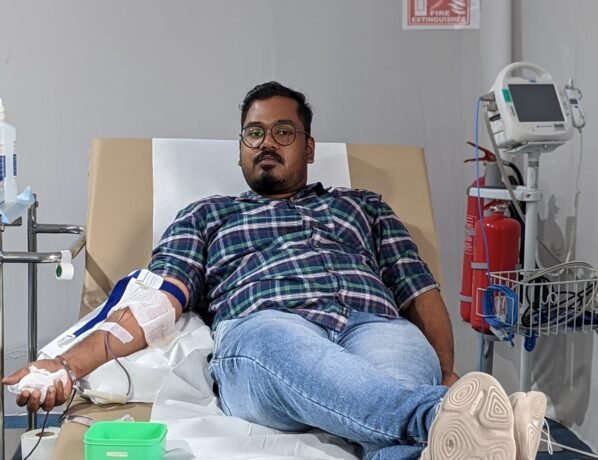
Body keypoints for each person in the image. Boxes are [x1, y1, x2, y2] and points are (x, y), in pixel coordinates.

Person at [3, 82, 545, 460]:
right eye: (253, 133)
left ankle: (452, 429)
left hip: (376, 327)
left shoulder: (363, 206)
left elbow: (419, 291)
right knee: (277, 339)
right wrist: (64, 366)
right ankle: (445, 416)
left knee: (396, 397)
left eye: (283, 132)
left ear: (308, 147)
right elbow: (155, 302)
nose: (265, 142)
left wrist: (446, 370)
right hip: (268, 334)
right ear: (240, 150)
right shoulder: (207, 215)